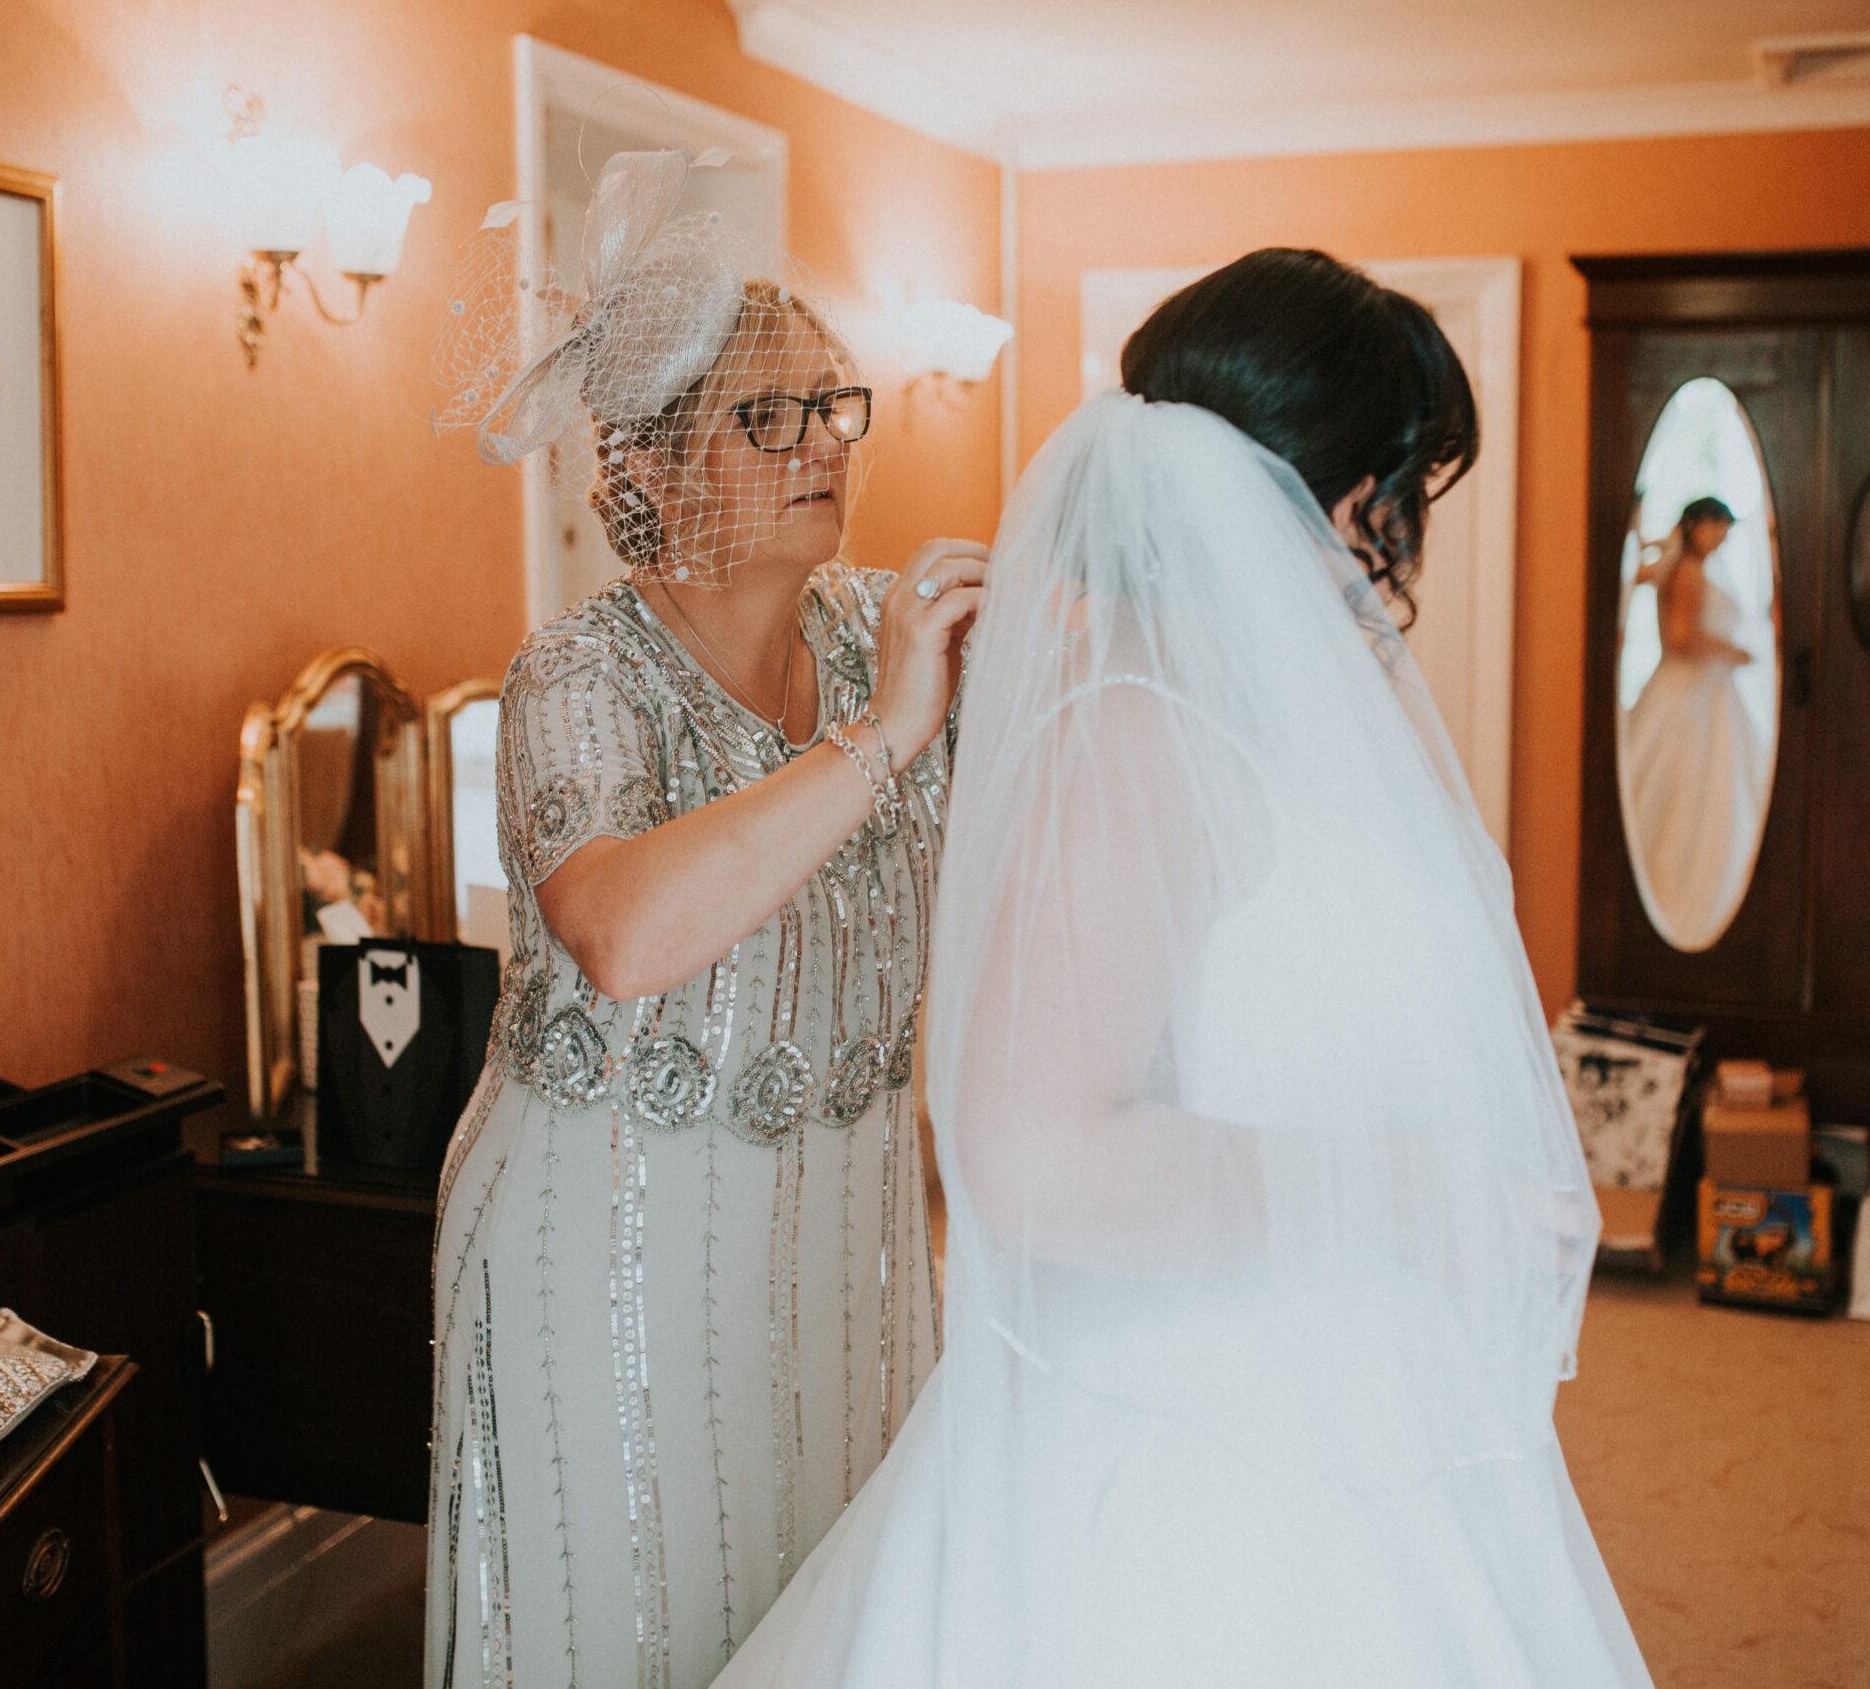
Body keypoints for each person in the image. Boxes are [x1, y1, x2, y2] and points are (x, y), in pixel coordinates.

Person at [710, 249, 1650, 1688]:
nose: (1393, 537)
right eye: (1389, 490)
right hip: (1187, 1434)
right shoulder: (1136, 740)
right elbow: (1027, 1154)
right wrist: (1395, 1183)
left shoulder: (1298, 723)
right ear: (1317, 491)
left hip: (1343, 1369)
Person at [426, 151, 983, 1689]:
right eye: (768, 414)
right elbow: (621, 931)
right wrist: (877, 743)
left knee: (838, 1611)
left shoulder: (894, 631)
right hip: (606, 1242)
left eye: (834, 403)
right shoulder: (577, 676)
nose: (822, 443)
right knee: (638, 1626)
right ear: (653, 471)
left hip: (849, 1232)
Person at [1621, 496, 1767, 947]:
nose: (1723, 535)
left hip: (1706, 696)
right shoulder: (1685, 570)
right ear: (1698, 524)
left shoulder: (1687, 566)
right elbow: (1681, 637)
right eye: (1719, 526)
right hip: (1687, 696)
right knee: (1686, 790)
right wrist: (1733, 652)